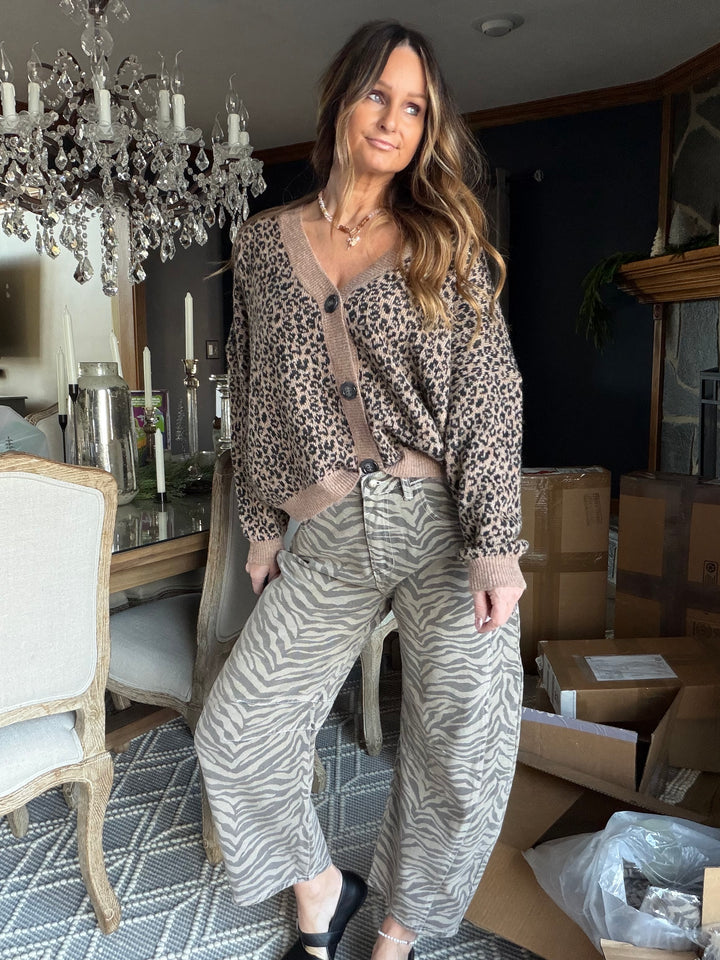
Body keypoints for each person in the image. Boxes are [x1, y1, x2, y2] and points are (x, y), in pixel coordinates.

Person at [195, 19, 527, 960]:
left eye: (414, 106)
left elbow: (488, 396)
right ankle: (320, 888)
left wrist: (496, 547)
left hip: (443, 528)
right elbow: (251, 390)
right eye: (378, 95)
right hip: (328, 534)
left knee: (462, 747)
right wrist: (261, 530)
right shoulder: (263, 245)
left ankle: (397, 932)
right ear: (341, 100)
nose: (393, 120)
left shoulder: (443, 237)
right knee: (237, 729)